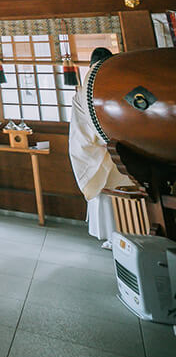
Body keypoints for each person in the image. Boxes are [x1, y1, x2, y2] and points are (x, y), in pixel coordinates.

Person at [68, 47, 133, 246]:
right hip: (113, 147)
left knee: (111, 194)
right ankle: (119, 236)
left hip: (105, 147)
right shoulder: (93, 89)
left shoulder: (87, 88)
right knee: (115, 193)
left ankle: (116, 237)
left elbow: (80, 127)